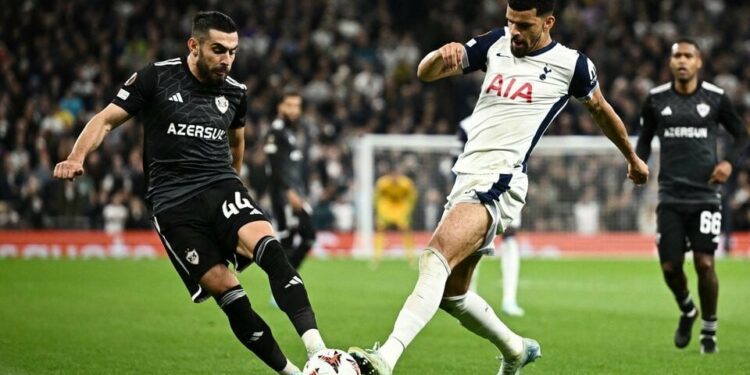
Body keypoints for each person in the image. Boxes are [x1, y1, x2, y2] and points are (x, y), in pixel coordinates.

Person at [348, 1, 649, 374]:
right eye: (510, 22)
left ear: (548, 22)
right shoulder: (495, 43)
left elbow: (602, 110)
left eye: (523, 25)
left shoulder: (572, 65)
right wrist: (440, 54)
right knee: (452, 295)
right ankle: (516, 349)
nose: (515, 32)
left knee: (434, 257)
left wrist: (632, 158)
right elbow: (425, 74)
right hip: (467, 175)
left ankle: (385, 359)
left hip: (501, 179)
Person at [53, 11, 325, 374]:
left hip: (220, 186)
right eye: (218, 49)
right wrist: (75, 156)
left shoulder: (235, 92)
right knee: (229, 293)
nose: (226, 59)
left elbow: (237, 142)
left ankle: (320, 352)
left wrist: (236, 184)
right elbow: (105, 119)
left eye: (233, 51)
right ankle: (292, 373)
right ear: (193, 46)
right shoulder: (156, 77)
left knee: (271, 249)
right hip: (173, 205)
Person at [635, 39, 748, 354]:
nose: (682, 61)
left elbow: (741, 135)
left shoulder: (715, 98)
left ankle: (709, 329)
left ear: (699, 62)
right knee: (670, 267)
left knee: (704, 262)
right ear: (670, 63)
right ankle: (688, 310)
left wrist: (728, 163)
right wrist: (638, 163)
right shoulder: (656, 100)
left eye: (688, 56)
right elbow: (644, 140)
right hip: (670, 195)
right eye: (677, 56)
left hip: (706, 195)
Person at [264, 91, 316, 270]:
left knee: (305, 237)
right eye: (290, 105)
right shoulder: (276, 131)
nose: (294, 110)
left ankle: (287, 283)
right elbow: (275, 165)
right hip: (284, 195)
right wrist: (289, 191)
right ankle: (283, 287)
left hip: (295, 192)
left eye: (297, 106)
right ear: (280, 107)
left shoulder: (290, 132)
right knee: (289, 239)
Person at [372, 165, 418, 267]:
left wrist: (408, 210)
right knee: (380, 229)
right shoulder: (382, 183)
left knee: (406, 230)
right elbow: (376, 197)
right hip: (386, 209)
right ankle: (376, 258)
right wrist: (378, 211)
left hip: (400, 209)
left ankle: (410, 258)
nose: (395, 177)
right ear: (389, 174)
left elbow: (412, 197)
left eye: (397, 175)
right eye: (392, 175)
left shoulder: (406, 183)